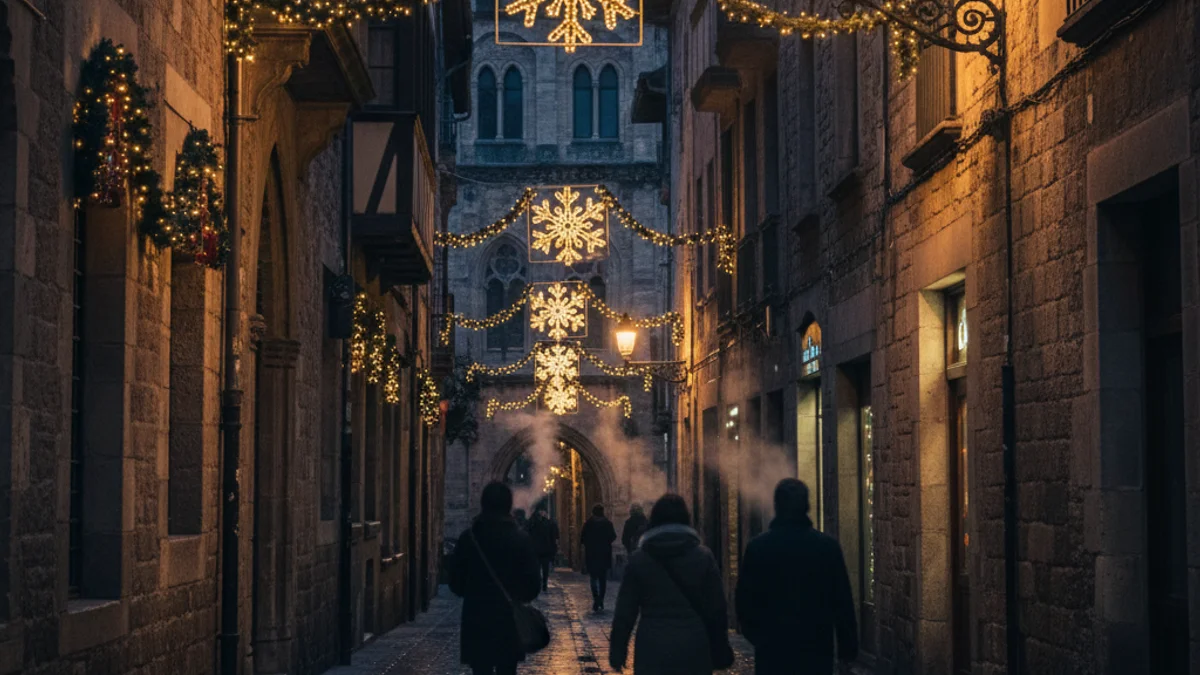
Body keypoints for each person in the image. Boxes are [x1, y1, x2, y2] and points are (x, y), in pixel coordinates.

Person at [735, 478, 858, 675]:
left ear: (776, 506)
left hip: (773, 651)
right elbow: (842, 603)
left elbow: (744, 602)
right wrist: (847, 652)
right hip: (815, 649)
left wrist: (760, 638)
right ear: (807, 506)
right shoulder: (826, 547)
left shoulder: (758, 548)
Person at [609, 494, 731, 675]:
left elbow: (625, 612)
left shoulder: (639, 560)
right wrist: (720, 649)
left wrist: (618, 652)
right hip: (694, 646)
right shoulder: (703, 557)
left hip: (652, 647)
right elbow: (718, 609)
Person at [449, 482, 543, 675]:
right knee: (507, 668)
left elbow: (455, 583)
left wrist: (475, 592)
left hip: (477, 618)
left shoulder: (469, 538)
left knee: (480, 668)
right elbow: (533, 586)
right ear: (508, 505)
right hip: (509, 621)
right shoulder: (520, 539)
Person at [580, 503, 617, 612]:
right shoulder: (608, 523)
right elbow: (613, 536)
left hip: (592, 555)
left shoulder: (588, 524)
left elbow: (582, 539)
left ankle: (596, 598)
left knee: (593, 578)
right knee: (602, 579)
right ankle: (601, 599)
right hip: (604, 554)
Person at [527, 503, 559, 591]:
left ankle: (542, 583)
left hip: (540, 550)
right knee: (543, 569)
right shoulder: (547, 523)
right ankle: (543, 583)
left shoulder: (533, 522)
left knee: (541, 569)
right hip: (543, 550)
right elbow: (553, 537)